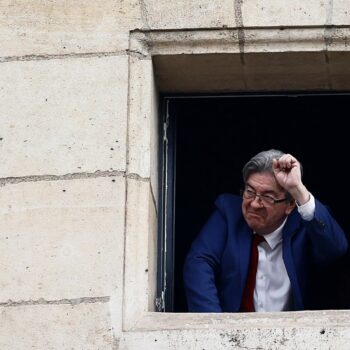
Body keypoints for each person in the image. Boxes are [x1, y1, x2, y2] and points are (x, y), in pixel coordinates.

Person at [183, 149, 348, 312]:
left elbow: (335, 249)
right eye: (250, 191)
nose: (254, 204)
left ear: (290, 204)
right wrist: (215, 328)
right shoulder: (229, 213)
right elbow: (199, 263)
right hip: (233, 332)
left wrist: (298, 191)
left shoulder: (305, 223)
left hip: (293, 333)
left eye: (268, 197)